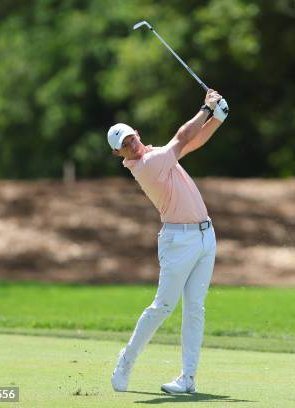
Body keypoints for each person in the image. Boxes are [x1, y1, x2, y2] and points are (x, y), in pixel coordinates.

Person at [107, 89, 228, 394]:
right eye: (124, 145)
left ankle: (187, 378)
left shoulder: (157, 155)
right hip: (178, 241)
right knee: (163, 306)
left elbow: (193, 143)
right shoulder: (147, 166)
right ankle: (126, 360)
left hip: (205, 236)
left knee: (195, 308)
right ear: (118, 154)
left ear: (137, 133)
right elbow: (182, 136)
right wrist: (206, 108)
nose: (131, 144)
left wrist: (218, 119)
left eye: (130, 137)